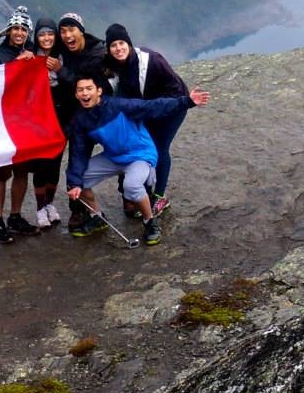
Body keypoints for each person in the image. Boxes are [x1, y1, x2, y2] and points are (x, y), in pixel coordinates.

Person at [63, 74, 209, 246]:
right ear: (76, 95)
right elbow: (79, 152)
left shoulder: (118, 105)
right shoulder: (81, 120)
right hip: (114, 157)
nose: (85, 93)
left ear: (99, 91)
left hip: (140, 154)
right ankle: (97, 217)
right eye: (80, 90)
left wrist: (187, 101)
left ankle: (149, 222)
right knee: (79, 180)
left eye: (89, 89)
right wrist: (75, 182)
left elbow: (152, 106)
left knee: (131, 186)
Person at [104, 22, 190, 217]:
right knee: (139, 148)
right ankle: (140, 194)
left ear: (129, 43)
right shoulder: (113, 64)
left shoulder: (152, 60)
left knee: (159, 148)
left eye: (121, 43)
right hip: (146, 109)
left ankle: (159, 196)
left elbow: (176, 91)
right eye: (113, 45)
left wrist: (153, 109)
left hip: (172, 108)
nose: (118, 48)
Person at [53, 12, 113, 230]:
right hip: (77, 115)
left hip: (101, 114)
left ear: (82, 31)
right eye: (63, 31)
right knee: (77, 161)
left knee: (121, 152)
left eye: (72, 30)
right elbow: (40, 45)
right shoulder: (61, 48)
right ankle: (79, 210)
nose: (68, 35)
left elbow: (83, 83)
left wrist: (61, 71)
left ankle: (131, 196)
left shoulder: (97, 53)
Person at [0, 7, 37, 244]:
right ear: (8, 30)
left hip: (24, 120)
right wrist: (17, 63)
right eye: (15, 28)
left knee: (22, 169)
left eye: (23, 29)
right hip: (2, 120)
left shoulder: (34, 52)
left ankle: (15, 215)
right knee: (2, 172)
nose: (19, 33)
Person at [25, 19, 66, 229]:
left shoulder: (63, 56)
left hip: (60, 118)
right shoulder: (30, 57)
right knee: (41, 163)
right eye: (42, 34)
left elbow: (73, 82)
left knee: (55, 163)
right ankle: (40, 208)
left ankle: (49, 204)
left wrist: (60, 69)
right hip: (39, 120)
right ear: (36, 37)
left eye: (50, 34)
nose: (47, 38)